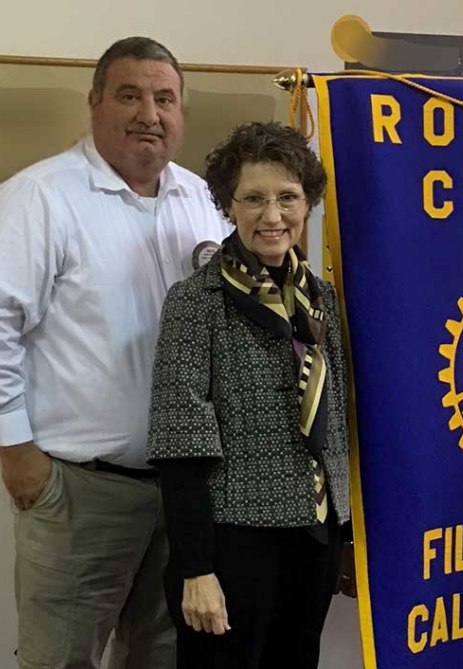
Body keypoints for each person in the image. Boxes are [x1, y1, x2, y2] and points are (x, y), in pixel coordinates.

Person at [0, 36, 230, 669]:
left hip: (188, 492)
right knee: (61, 659)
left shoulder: (206, 202)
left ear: (181, 112)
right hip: (83, 493)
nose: (149, 114)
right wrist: (17, 453)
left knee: (164, 656)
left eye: (165, 98)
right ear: (94, 104)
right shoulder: (40, 198)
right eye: (129, 95)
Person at [146, 121, 354, 669]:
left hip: (314, 535)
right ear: (228, 205)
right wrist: (196, 569)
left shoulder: (323, 300)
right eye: (254, 199)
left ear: (307, 203)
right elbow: (179, 442)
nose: (272, 216)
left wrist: (346, 532)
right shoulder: (198, 302)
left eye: (288, 198)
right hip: (232, 543)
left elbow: (337, 422)